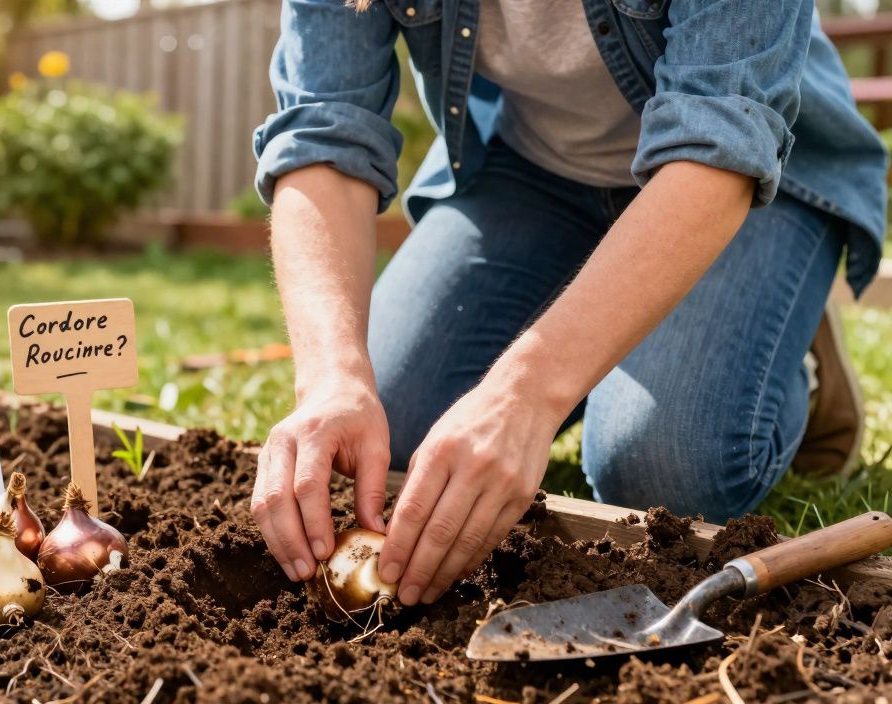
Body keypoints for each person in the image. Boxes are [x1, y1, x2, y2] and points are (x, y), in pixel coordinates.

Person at [249, 0, 888, 609]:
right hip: (534, 173)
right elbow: (320, 131)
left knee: (658, 467)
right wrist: (333, 377)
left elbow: (719, 141)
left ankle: (778, 342)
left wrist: (526, 393)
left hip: (741, 180)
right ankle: (610, 320)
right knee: (393, 429)